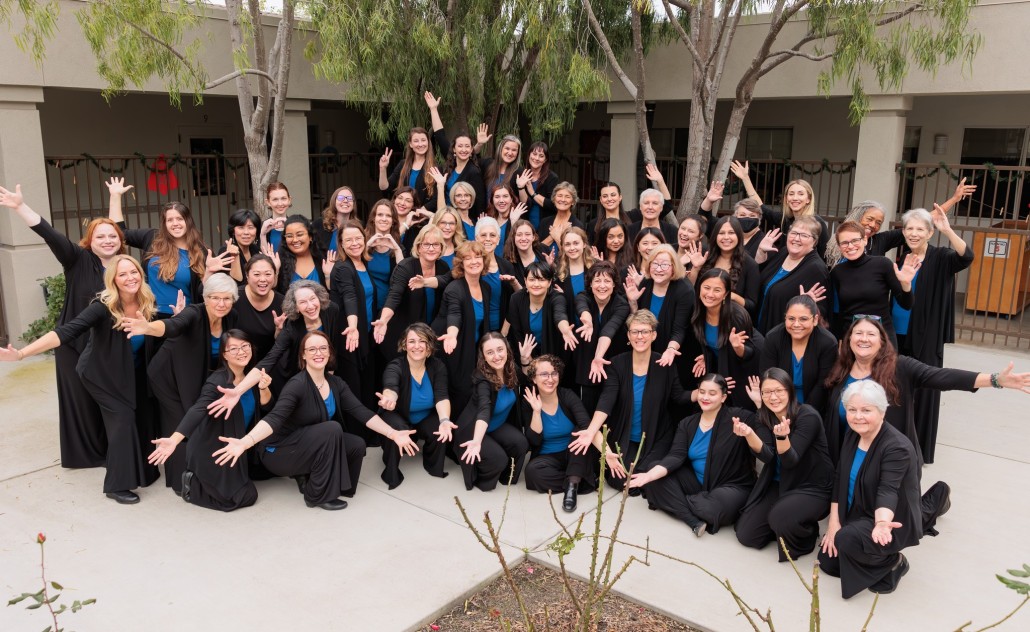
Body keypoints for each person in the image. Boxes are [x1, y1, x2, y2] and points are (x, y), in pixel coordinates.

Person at [0, 255, 160, 503]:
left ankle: (143, 470)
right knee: (123, 420)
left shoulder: (146, 301)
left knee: (142, 414)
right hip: (101, 375)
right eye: (123, 274)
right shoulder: (102, 307)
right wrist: (21, 353)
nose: (130, 278)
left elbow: (160, 327)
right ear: (113, 280)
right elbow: (65, 331)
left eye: (134, 272)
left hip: (131, 371)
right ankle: (116, 485)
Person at [212, 331, 417, 510]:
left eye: (322, 348)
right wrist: (245, 442)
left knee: (356, 444)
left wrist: (393, 433)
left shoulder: (335, 383)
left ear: (329, 352)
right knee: (331, 428)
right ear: (303, 355)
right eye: (312, 349)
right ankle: (316, 495)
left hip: (307, 445)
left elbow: (361, 412)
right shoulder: (297, 385)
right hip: (279, 451)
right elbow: (274, 418)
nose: (318, 353)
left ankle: (334, 483)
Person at [1, 182, 124, 468]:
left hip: (108, 346)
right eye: (100, 236)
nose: (107, 240)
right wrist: (20, 207)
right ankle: (89, 456)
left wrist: (115, 198)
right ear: (89, 241)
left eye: (112, 236)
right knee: (81, 402)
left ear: (120, 239)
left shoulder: (125, 266)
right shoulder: (77, 259)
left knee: (107, 401)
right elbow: (49, 233)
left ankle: (113, 449)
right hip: (72, 344)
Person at [822, 317, 1030, 465]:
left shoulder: (900, 367)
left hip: (890, 459)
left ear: (882, 342)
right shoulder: (840, 370)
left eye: (871, 334)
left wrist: (995, 380)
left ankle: (935, 500)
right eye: (858, 333)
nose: (863, 339)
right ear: (848, 340)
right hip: (848, 456)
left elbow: (942, 376)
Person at [123, 272, 240, 495]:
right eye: (215, 297)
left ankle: (198, 470)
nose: (221, 303)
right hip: (167, 377)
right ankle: (181, 481)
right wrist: (148, 328)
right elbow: (173, 325)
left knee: (194, 417)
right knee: (181, 421)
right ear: (205, 298)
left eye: (227, 298)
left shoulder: (231, 317)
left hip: (193, 374)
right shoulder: (194, 314)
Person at [818, 380, 922, 598]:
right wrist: (834, 523)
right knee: (829, 564)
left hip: (887, 518)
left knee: (846, 541)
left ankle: (894, 561)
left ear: (882, 411)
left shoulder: (897, 447)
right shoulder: (853, 433)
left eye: (866, 410)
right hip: (857, 509)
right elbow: (840, 478)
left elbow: (888, 490)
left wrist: (882, 523)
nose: (858, 416)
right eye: (852, 410)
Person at [148, 330, 271, 511]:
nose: (241, 351)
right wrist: (174, 439)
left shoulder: (252, 377)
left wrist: (264, 388)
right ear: (224, 355)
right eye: (234, 349)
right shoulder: (218, 381)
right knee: (243, 497)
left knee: (252, 488)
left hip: (237, 443)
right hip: (212, 447)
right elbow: (198, 409)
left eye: (245, 346)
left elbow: (266, 406)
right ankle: (193, 483)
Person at [569, 310, 693, 490]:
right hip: (624, 433)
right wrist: (591, 432)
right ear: (628, 335)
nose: (639, 336)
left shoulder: (664, 364)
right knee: (621, 480)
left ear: (653, 335)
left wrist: (705, 393)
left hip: (656, 434)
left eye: (645, 331)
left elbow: (679, 396)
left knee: (647, 476)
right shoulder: (617, 364)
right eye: (635, 331)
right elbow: (606, 400)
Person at [628, 373, 757, 537]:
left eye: (712, 393)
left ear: (723, 397)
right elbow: (676, 456)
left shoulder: (739, 417)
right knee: (653, 472)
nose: (705, 397)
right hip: (698, 482)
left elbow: (762, 424)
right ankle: (693, 521)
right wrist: (649, 476)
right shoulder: (687, 423)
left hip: (730, 486)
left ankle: (676, 502)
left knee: (710, 508)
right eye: (702, 392)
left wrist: (759, 403)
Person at [892, 208, 974, 463]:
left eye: (920, 229)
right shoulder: (902, 256)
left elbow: (966, 256)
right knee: (896, 387)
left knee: (925, 389)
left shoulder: (941, 257)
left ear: (929, 233)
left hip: (925, 335)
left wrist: (947, 229)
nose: (914, 233)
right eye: (909, 229)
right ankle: (896, 441)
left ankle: (920, 450)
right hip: (896, 332)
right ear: (903, 232)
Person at [736, 368, 833, 560]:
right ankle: (784, 522)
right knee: (747, 535)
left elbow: (791, 460)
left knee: (779, 517)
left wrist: (782, 437)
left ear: (789, 390)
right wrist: (749, 434)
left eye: (778, 391)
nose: (773, 397)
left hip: (812, 486)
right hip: (781, 483)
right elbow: (768, 457)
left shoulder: (808, 416)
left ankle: (806, 532)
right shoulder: (763, 417)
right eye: (767, 392)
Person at [109, 190, 226, 318]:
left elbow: (205, 294)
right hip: (148, 314)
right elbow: (120, 233)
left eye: (179, 219)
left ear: (188, 221)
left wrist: (209, 273)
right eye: (170, 220)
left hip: (183, 317)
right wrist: (115, 196)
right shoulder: (152, 237)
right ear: (164, 224)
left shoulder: (202, 252)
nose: (175, 224)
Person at [376, 323, 456, 489]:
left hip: (424, 416)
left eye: (422, 341)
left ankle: (433, 465)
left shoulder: (437, 366)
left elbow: (442, 396)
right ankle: (391, 472)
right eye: (412, 341)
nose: (417, 346)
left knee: (440, 425)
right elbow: (391, 387)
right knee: (396, 426)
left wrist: (445, 420)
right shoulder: (395, 366)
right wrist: (389, 399)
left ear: (429, 346)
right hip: (398, 415)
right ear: (405, 345)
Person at [454, 332, 530, 491]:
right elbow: (484, 409)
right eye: (490, 352)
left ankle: (507, 478)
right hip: (473, 430)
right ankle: (484, 482)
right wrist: (476, 441)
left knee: (521, 443)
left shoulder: (511, 369)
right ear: (483, 356)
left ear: (507, 350)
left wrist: (524, 361)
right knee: (498, 459)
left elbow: (526, 379)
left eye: (500, 349)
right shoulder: (482, 379)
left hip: (495, 426)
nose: (496, 356)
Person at [523, 355, 596, 512]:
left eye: (554, 373)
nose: (550, 379)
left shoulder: (567, 395)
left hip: (574, 453)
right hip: (548, 457)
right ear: (534, 379)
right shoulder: (529, 401)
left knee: (580, 434)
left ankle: (571, 489)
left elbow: (586, 424)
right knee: (531, 473)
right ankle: (577, 478)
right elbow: (534, 442)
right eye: (544, 374)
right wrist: (536, 412)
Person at [829, 221, 918, 346]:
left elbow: (906, 304)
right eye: (844, 242)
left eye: (855, 240)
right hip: (853, 338)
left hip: (882, 337)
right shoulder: (837, 272)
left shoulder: (883, 264)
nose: (850, 246)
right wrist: (840, 341)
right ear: (839, 246)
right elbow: (840, 312)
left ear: (865, 240)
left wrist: (906, 284)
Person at [374, 226, 451, 361]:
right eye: (426, 244)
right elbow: (394, 296)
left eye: (435, 244)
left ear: (441, 248)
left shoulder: (443, 267)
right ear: (419, 247)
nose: (431, 248)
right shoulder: (406, 267)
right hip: (399, 332)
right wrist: (384, 320)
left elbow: (446, 282)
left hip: (425, 335)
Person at [434, 241, 493, 413]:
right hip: (451, 348)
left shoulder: (485, 287)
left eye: (477, 257)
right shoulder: (454, 289)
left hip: (471, 346)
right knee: (459, 391)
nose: (474, 261)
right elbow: (455, 314)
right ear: (461, 263)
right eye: (468, 258)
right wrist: (452, 334)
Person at [690, 269, 760, 410]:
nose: (710, 294)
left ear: (726, 294)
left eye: (717, 290)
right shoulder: (699, 311)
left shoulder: (737, 316)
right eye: (706, 288)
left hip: (744, 373)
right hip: (724, 369)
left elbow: (749, 353)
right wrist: (707, 355)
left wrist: (736, 347)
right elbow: (712, 342)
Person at [329, 222, 379, 414]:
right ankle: (355, 436)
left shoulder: (363, 264)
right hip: (349, 336)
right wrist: (352, 327)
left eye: (358, 238)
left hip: (364, 334)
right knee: (353, 387)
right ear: (341, 243)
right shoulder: (343, 268)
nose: (354, 243)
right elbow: (349, 296)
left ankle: (369, 431)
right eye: (348, 240)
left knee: (367, 383)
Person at [759, 295, 838, 411]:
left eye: (803, 319)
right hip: (778, 400)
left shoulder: (827, 342)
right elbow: (768, 375)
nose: (796, 324)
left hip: (814, 406)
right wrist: (783, 409)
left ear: (815, 320)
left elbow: (823, 384)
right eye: (791, 319)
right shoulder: (773, 338)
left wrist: (803, 413)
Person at [753, 215, 830, 333]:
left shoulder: (816, 269)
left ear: (814, 241)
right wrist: (760, 252)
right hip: (760, 329)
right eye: (793, 233)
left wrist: (806, 304)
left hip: (785, 336)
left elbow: (820, 311)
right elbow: (759, 278)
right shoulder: (784, 253)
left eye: (804, 235)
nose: (796, 239)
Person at [624, 245, 695, 371]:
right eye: (655, 264)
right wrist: (633, 302)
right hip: (647, 350)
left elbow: (680, 329)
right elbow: (639, 320)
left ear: (674, 267)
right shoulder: (646, 283)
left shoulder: (685, 290)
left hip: (674, 354)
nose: (659, 269)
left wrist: (671, 349)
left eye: (664, 265)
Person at [572, 261, 630, 412]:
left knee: (612, 412)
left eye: (607, 281)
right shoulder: (583, 296)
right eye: (597, 281)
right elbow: (582, 307)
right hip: (586, 366)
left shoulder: (622, 304)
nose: (602, 285)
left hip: (612, 365)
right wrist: (587, 319)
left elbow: (609, 330)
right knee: (587, 411)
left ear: (614, 284)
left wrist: (598, 357)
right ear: (590, 284)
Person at [424, 92, 487, 218]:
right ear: (454, 149)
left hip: (463, 221)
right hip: (445, 217)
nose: (463, 149)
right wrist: (433, 109)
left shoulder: (473, 171)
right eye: (460, 146)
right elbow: (440, 136)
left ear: (471, 150)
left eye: (467, 146)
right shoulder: (448, 168)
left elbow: (480, 201)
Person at [688, 216, 761, 320]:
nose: (726, 237)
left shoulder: (750, 265)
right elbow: (689, 290)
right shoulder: (705, 255)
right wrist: (696, 268)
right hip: (699, 318)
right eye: (721, 233)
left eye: (731, 233)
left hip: (730, 322)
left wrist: (732, 296)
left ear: (739, 236)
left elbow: (752, 305)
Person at [503, 261, 576, 360]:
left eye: (541, 280)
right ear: (525, 280)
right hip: (526, 354)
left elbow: (560, 314)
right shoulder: (516, 298)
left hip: (554, 356)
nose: (536, 284)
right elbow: (517, 333)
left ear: (549, 282)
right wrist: (528, 359)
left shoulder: (557, 298)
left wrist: (564, 329)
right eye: (532, 279)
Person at [233, 254, 285, 362]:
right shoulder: (234, 298)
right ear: (247, 276)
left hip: (270, 365)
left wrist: (279, 331)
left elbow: (283, 345)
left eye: (268, 274)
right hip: (237, 363)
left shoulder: (283, 303)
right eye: (256, 274)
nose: (262, 279)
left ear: (275, 275)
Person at [475, 216, 522, 334]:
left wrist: (504, 333)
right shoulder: (471, 264)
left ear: (498, 239)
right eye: (483, 235)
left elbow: (517, 300)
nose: (488, 239)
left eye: (492, 235)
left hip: (501, 328)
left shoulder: (506, 266)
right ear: (476, 238)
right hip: (476, 329)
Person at [363, 199, 405, 313]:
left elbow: (403, 277)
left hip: (388, 307)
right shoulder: (361, 242)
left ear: (393, 221)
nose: (384, 219)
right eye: (380, 215)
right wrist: (366, 246)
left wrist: (397, 249)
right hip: (365, 306)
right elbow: (353, 267)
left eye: (388, 216)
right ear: (373, 219)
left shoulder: (399, 247)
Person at [378, 126, 438, 207]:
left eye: (423, 140)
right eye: (416, 141)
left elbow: (435, 199)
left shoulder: (435, 168)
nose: (420, 144)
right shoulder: (403, 165)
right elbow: (384, 187)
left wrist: (419, 212)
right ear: (410, 144)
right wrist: (383, 168)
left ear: (428, 142)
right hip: (402, 213)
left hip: (422, 216)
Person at [274, 214, 331, 294]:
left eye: (299, 235)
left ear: (310, 236)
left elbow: (333, 294)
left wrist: (328, 276)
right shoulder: (279, 262)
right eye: (289, 236)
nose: (295, 240)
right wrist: (275, 270)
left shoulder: (324, 260)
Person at [516, 141, 560, 230]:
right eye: (534, 154)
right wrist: (521, 187)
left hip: (545, 225)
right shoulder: (520, 174)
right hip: (524, 225)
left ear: (545, 160)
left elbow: (553, 204)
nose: (536, 158)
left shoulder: (552, 178)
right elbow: (522, 204)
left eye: (541, 156)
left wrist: (533, 193)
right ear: (529, 155)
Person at [555, 226, 595, 322]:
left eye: (576, 243)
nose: (572, 248)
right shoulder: (559, 272)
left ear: (584, 244)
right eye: (567, 244)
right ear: (563, 247)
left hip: (594, 324)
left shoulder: (596, 267)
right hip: (571, 325)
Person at [538, 181, 587, 256]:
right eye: (560, 196)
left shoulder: (577, 225)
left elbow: (575, 255)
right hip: (544, 265)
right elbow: (537, 250)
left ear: (573, 202)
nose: (563, 199)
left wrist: (557, 238)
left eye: (567, 197)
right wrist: (551, 236)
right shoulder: (544, 222)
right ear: (554, 199)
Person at [483, 183, 527, 257]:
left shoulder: (519, 221)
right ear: (492, 200)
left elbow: (520, 247)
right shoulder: (488, 221)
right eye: (497, 197)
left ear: (511, 199)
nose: (501, 200)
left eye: (505, 196)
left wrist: (514, 223)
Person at [314, 185, 359, 254]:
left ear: (353, 203)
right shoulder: (320, 224)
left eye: (349, 198)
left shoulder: (358, 226)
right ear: (334, 202)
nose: (345, 201)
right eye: (341, 198)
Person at [476, 126, 522, 191]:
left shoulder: (519, 172)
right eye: (507, 148)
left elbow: (525, 200)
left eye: (514, 150)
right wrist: (479, 144)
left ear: (518, 153)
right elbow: (471, 159)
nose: (510, 153)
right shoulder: (487, 164)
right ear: (501, 149)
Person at [222, 209, 262, 283]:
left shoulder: (255, 249)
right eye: (241, 227)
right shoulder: (226, 250)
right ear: (233, 231)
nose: (246, 232)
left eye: (251, 227)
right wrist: (235, 256)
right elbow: (236, 283)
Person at [504, 218, 548, 285]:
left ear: (533, 237)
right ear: (513, 238)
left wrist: (551, 266)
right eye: (519, 235)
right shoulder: (508, 263)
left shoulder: (543, 250)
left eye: (527, 234)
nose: (523, 238)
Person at [259, 182, 295, 253]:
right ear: (268, 202)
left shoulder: (297, 225)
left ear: (289, 200)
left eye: (283, 198)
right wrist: (262, 235)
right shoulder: (262, 227)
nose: (280, 203)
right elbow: (263, 259)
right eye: (275, 199)